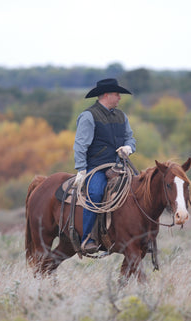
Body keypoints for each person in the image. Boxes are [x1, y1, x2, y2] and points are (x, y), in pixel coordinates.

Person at [73, 78, 136, 254]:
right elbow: (80, 145)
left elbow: (130, 137)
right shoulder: (88, 116)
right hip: (96, 168)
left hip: (120, 167)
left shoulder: (121, 116)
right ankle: (88, 238)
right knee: (95, 192)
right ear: (107, 95)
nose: (120, 98)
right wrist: (81, 169)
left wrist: (128, 147)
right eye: (117, 94)